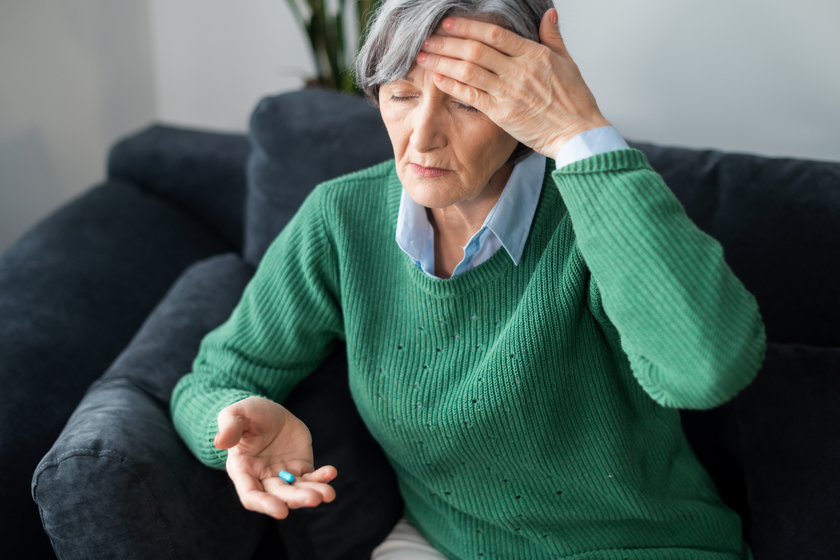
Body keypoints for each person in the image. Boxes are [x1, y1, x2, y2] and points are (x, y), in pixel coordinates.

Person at [170, 0, 766, 558]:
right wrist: (237, 422)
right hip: (443, 545)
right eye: (401, 95)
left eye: (468, 101)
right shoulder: (340, 220)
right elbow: (215, 378)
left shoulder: (600, 212)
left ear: (527, 105)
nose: (421, 138)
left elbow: (705, 370)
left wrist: (577, 133)